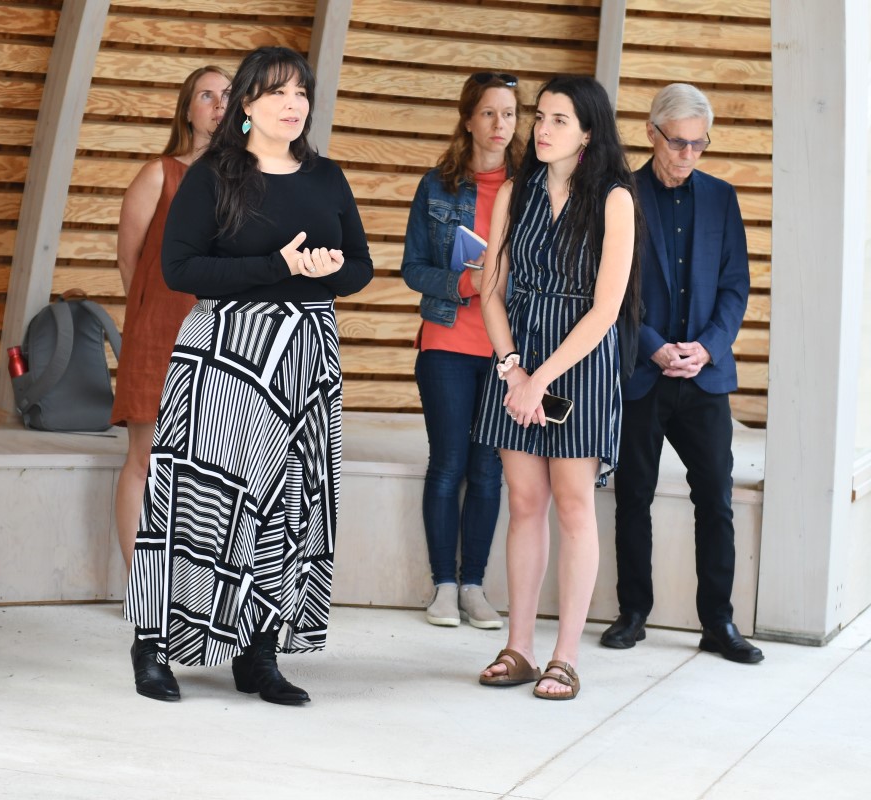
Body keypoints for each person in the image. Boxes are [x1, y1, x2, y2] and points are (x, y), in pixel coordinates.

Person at [123, 46, 373, 705]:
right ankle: (155, 646)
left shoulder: (327, 177)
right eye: (279, 93)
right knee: (200, 501)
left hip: (306, 356)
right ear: (248, 105)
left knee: (290, 503)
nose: (294, 105)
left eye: (302, 93)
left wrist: (322, 272)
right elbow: (181, 270)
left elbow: (360, 269)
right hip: (225, 356)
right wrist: (278, 267)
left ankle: (258, 653)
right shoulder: (213, 176)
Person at [474, 75, 640, 700]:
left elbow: (605, 310)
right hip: (517, 364)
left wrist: (539, 378)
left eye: (559, 120)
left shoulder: (615, 199)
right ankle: (519, 647)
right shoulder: (514, 192)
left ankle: (565, 657)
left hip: (580, 366)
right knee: (523, 503)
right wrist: (513, 367)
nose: (541, 129)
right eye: (540, 117)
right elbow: (491, 287)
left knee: (573, 505)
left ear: (589, 132)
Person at [601, 84, 760, 664]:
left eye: (699, 144)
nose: (688, 154)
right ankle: (633, 613)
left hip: (704, 380)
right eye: (678, 143)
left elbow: (735, 286)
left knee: (715, 498)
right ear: (652, 133)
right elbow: (612, 292)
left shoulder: (722, 198)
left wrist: (707, 348)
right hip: (643, 376)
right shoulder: (620, 196)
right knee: (633, 497)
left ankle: (718, 621)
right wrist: (654, 348)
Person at [401, 72, 522, 630]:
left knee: (488, 468)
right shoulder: (438, 185)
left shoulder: (533, 188)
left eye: (511, 114)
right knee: (448, 464)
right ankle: (443, 588)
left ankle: (474, 585)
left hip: (508, 351)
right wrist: (466, 284)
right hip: (448, 341)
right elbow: (413, 269)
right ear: (469, 118)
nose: (501, 124)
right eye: (490, 113)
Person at [111, 65, 230, 570]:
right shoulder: (160, 173)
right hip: (160, 333)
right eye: (206, 96)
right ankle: (140, 584)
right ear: (188, 110)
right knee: (146, 457)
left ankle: (192, 582)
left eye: (228, 96)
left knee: (210, 467)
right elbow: (128, 260)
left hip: (228, 339)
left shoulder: (252, 181)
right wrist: (154, 319)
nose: (219, 105)